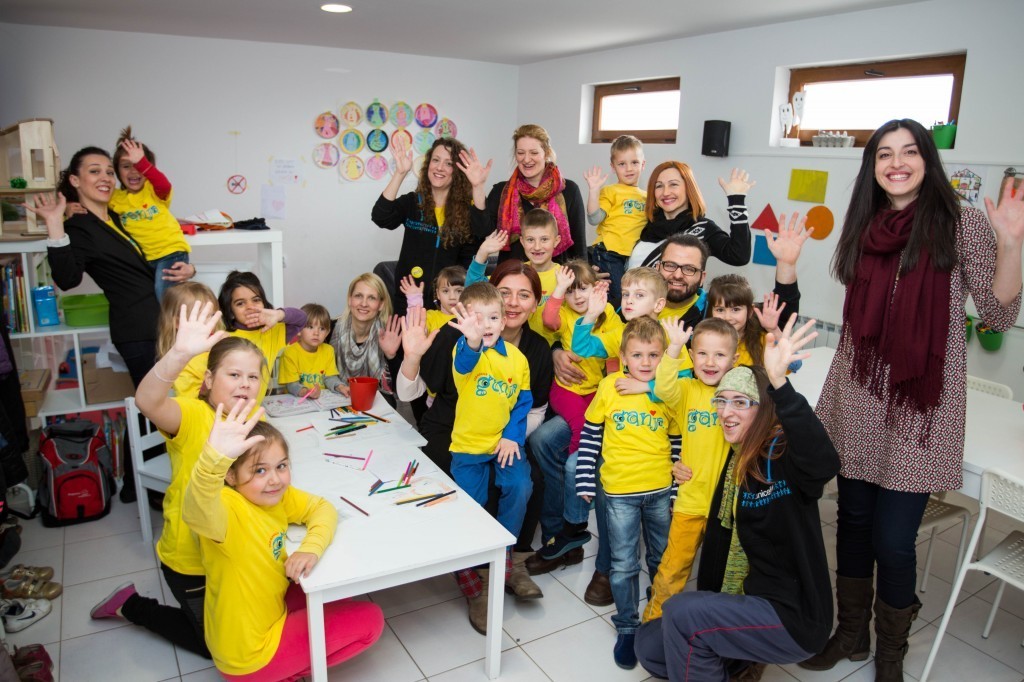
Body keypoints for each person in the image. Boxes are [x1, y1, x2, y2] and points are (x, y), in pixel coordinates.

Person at [808, 118, 1024, 680]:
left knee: (894, 541)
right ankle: (849, 634)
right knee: (852, 523)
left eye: (908, 152)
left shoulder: (961, 223)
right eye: (884, 154)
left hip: (920, 407)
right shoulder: (866, 222)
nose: (896, 163)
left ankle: (891, 653)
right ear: (873, 166)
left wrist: (1011, 243)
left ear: (928, 159)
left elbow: (998, 313)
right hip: (859, 394)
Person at [635, 318, 840, 682]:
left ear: (763, 409)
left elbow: (823, 462)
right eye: (722, 401)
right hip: (748, 599)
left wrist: (780, 384)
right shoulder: (733, 467)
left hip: (794, 615)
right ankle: (732, 666)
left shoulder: (779, 455)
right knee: (650, 643)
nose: (726, 412)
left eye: (741, 402)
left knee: (681, 613)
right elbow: (717, 554)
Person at [89, 301, 263, 658]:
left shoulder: (253, 420)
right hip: (190, 559)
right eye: (234, 375)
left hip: (230, 551)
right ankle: (132, 606)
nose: (245, 384)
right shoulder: (194, 414)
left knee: (246, 622)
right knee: (217, 648)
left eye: (253, 377)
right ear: (209, 380)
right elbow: (147, 401)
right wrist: (180, 353)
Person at [397, 260, 553, 626]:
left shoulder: (533, 350)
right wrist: (412, 356)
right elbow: (409, 393)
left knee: (527, 479)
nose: (512, 302)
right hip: (451, 429)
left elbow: (532, 407)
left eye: (524, 295)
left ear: (535, 304)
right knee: (460, 486)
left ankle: (511, 560)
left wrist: (508, 438)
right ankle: (476, 577)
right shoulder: (456, 337)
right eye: (505, 292)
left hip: (504, 434)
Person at [182, 402, 383, 680]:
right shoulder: (226, 508)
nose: (275, 479)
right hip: (251, 655)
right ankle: (282, 675)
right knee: (371, 620)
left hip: (266, 616)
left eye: (281, 466)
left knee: (335, 589)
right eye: (259, 471)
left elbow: (322, 508)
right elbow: (195, 511)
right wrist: (211, 462)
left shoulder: (273, 495)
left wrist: (311, 548)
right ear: (230, 475)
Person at [25, 148, 193, 386]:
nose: (105, 178)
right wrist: (54, 222)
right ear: (75, 180)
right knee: (153, 402)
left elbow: (154, 255)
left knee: (178, 398)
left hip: (162, 326)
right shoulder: (78, 228)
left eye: (109, 172)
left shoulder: (120, 216)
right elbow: (67, 279)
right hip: (138, 332)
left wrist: (189, 269)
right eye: (95, 172)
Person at [574, 316, 680, 670]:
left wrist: (676, 492)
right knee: (623, 564)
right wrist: (585, 479)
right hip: (619, 493)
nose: (645, 362)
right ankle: (628, 626)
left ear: (664, 356)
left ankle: (659, 616)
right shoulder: (609, 387)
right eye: (637, 355)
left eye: (653, 355)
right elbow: (591, 434)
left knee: (661, 559)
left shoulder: (668, 391)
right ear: (622, 356)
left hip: (660, 491)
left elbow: (677, 443)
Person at [641, 317, 739, 626]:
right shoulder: (686, 390)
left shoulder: (739, 396)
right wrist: (673, 349)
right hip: (690, 501)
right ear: (692, 356)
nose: (710, 362)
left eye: (719, 355)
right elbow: (663, 387)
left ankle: (711, 629)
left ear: (734, 360)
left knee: (721, 574)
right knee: (672, 569)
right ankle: (653, 626)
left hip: (728, 507)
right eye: (702, 354)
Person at [448, 282, 533, 568]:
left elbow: (522, 403)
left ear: (503, 321)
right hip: (468, 444)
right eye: (478, 318)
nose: (486, 325)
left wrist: (512, 437)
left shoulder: (518, 360)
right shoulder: (464, 349)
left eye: (493, 318)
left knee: (520, 486)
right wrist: (471, 340)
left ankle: (504, 550)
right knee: (471, 503)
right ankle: (468, 563)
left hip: (503, 442)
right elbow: (465, 362)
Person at [372, 136, 477, 316]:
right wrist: (400, 173)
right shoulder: (413, 202)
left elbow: (469, 261)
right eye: (435, 160)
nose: (439, 167)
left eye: (448, 163)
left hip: (448, 303)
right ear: (428, 164)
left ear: (458, 171)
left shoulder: (467, 211)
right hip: (408, 299)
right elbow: (380, 217)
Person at [461, 124, 586, 263]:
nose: (526, 159)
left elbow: (579, 245)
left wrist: (585, 273)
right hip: (512, 274)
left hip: (558, 274)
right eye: (521, 153)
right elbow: (481, 231)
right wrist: (478, 187)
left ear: (546, 153)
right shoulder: (502, 191)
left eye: (534, 153)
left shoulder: (569, 190)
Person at [705, 213, 811, 365]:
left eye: (735, 309)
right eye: (720, 310)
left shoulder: (761, 340)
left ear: (750, 311)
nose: (727, 317)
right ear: (710, 312)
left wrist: (773, 330)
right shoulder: (703, 339)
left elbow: (795, 364)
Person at [110, 127, 190, 301]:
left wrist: (143, 163)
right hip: (145, 259)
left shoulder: (153, 190)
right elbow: (91, 197)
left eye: (138, 166)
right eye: (126, 166)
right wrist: (70, 206)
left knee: (166, 302)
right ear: (117, 171)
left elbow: (163, 184)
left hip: (170, 253)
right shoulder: (116, 198)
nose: (133, 171)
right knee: (153, 302)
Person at [629, 162, 753, 270]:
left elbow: (739, 256)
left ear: (689, 188)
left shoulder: (702, 228)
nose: (665, 192)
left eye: (673, 184)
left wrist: (737, 200)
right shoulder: (645, 222)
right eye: (659, 186)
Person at [468, 210, 563, 344]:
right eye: (530, 240)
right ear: (522, 241)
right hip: (513, 344)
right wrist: (482, 253)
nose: (537, 247)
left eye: (544, 239)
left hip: (551, 349)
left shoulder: (566, 277)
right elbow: (473, 290)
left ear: (556, 240)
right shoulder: (515, 272)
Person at [585, 134, 647, 309]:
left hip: (632, 257)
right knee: (619, 297)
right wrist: (594, 191)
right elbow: (594, 218)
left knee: (634, 296)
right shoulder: (611, 191)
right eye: (622, 164)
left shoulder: (648, 197)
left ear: (643, 164)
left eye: (634, 162)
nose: (629, 168)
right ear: (613, 167)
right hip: (609, 252)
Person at [329, 273, 403, 404]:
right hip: (335, 396)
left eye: (371, 298)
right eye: (358, 296)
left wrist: (391, 356)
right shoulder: (329, 329)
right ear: (350, 300)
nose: (364, 303)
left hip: (375, 400)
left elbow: (402, 391)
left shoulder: (390, 335)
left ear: (381, 304)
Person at [156, 282, 224, 398]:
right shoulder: (181, 364)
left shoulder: (219, 341)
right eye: (202, 316)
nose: (211, 322)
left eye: (212, 315)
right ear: (178, 322)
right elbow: (191, 401)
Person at [279, 303, 345, 398]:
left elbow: (330, 378)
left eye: (322, 328)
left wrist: (341, 387)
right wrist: (306, 392)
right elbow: (291, 385)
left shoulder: (328, 350)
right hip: (297, 400)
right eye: (310, 327)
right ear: (299, 330)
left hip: (321, 401)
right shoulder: (289, 353)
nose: (316, 333)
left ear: (327, 333)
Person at [398, 265, 466, 334]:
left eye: (459, 291)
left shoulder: (470, 317)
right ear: (438, 294)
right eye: (445, 291)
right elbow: (414, 332)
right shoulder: (429, 317)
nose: (452, 297)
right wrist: (414, 299)